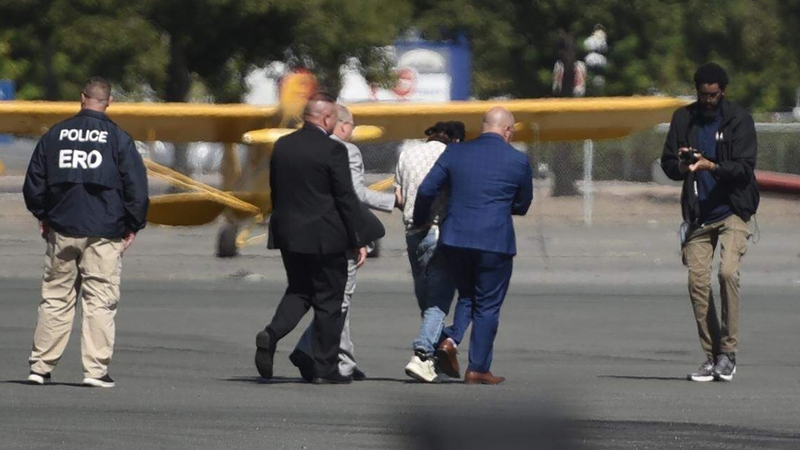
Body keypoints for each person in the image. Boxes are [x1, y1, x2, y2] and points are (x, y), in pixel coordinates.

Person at [22, 76, 149, 388]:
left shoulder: (55, 135)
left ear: (81, 98)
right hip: (104, 231)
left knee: (55, 297)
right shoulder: (119, 138)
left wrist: (44, 215)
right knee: (99, 300)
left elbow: (33, 184)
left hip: (62, 228)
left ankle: (40, 366)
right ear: (109, 102)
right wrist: (133, 225)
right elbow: (137, 190)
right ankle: (95, 370)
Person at [414, 108, 533, 384]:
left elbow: (426, 189)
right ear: (507, 130)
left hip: (455, 238)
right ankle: (477, 367)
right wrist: (499, 208)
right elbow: (523, 204)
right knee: (488, 306)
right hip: (495, 241)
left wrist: (421, 220)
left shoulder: (456, 152)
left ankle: (451, 339)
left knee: (467, 295)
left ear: (483, 128)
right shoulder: (518, 160)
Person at [255, 92, 367, 385]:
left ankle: (272, 333)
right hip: (327, 237)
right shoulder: (333, 151)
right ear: (327, 118)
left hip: (289, 234)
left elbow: (276, 190)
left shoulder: (283, 146)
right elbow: (345, 198)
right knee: (330, 301)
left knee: (299, 291)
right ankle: (325, 367)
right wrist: (359, 238)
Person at [660, 63, 758, 382]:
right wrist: (684, 163)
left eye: (713, 94)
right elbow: (668, 163)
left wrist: (712, 166)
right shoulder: (683, 118)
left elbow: (744, 168)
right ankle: (713, 356)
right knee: (697, 283)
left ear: (723, 91)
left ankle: (729, 352)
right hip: (699, 214)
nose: (708, 100)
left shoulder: (739, 119)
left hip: (733, 208)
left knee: (727, 272)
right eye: (703, 94)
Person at [290, 104, 392, 382]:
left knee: (331, 297)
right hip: (341, 236)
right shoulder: (347, 151)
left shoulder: (307, 149)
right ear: (343, 125)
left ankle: (339, 355)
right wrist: (394, 200)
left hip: (308, 236)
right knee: (340, 299)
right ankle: (328, 355)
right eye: (351, 126)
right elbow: (356, 195)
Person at [394, 121, 464, 382]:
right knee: (439, 300)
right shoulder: (451, 156)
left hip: (412, 233)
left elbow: (399, 199)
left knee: (425, 299)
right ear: (455, 140)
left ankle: (437, 354)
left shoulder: (406, 154)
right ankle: (422, 354)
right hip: (438, 230)